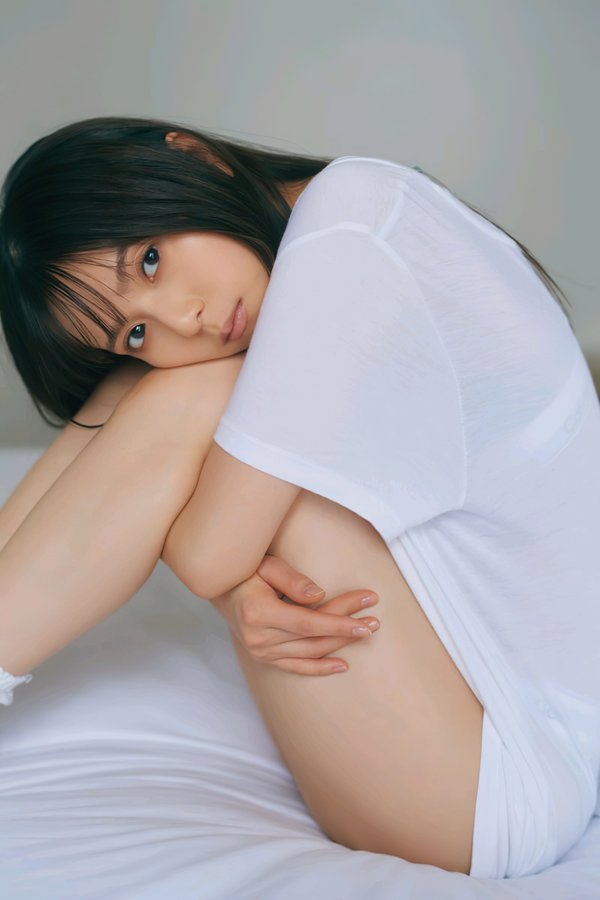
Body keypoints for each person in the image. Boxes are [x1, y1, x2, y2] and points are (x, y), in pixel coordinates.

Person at [0, 116, 598, 880]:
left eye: (149, 260)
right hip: (494, 736)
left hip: (493, 788)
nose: (182, 317)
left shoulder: (349, 226)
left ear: (194, 158)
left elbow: (208, 555)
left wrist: (229, 579)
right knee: (146, 385)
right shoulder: (353, 215)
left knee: (188, 391)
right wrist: (229, 579)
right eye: (135, 331)